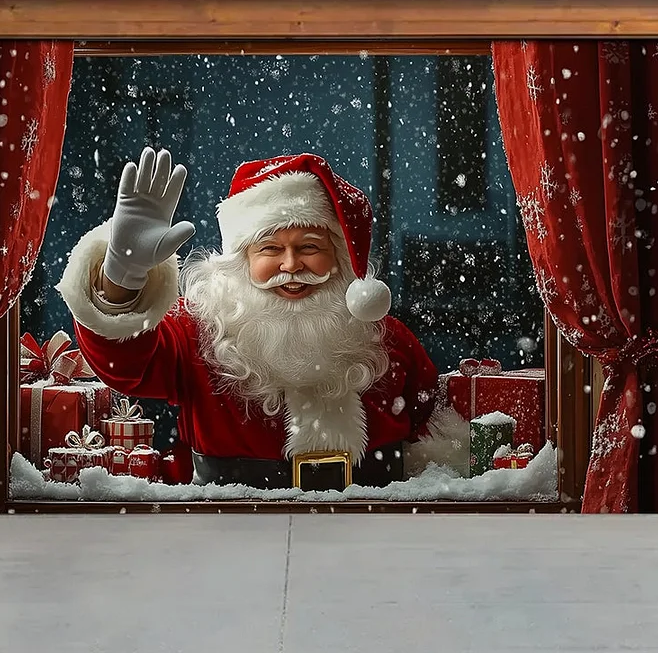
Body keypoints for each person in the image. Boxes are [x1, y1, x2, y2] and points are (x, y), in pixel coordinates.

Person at [58, 147, 441, 491]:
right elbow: (124, 366)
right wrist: (122, 277)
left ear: (340, 258)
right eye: (270, 249)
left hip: (374, 532)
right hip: (229, 530)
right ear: (242, 260)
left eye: (310, 247)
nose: (291, 265)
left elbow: (435, 427)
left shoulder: (387, 339)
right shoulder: (200, 332)